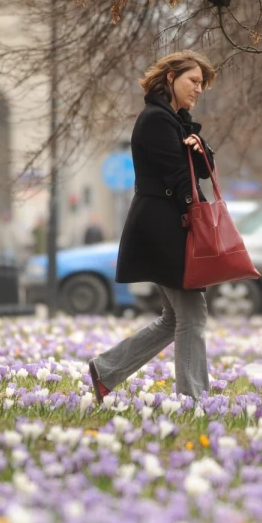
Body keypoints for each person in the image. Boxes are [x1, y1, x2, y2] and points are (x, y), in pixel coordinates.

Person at [88, 50, 217, 401]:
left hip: (166, 226)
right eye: (193, 81)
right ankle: (192, 399)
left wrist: (197, 145)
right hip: (165, 229)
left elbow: (203, 169)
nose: (199, 89)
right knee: (192, 314)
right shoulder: (156, 121)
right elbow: (178, 179)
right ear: (172, 78)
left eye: (202, 84)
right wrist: (197, 221)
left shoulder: (176, 121)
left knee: (173, 318)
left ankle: (106, 369)